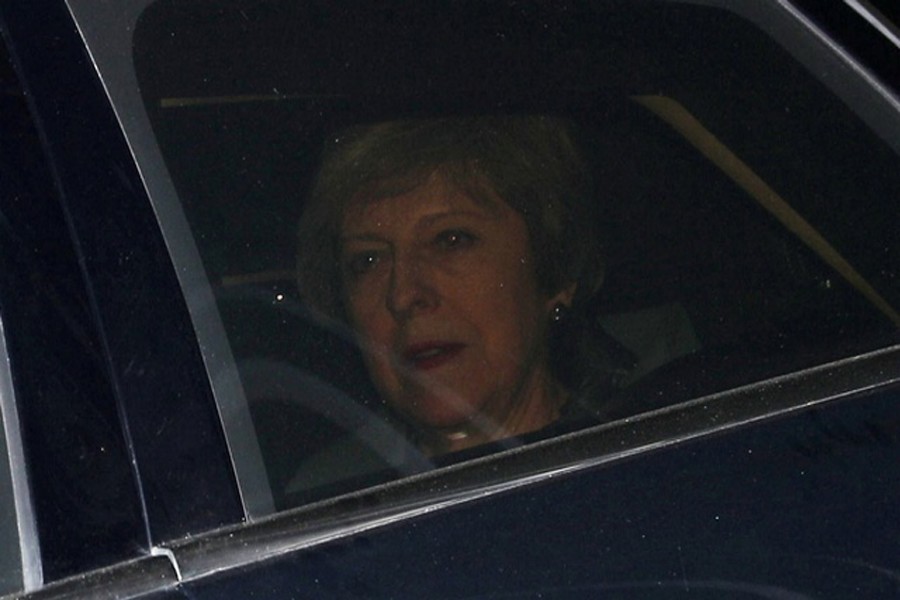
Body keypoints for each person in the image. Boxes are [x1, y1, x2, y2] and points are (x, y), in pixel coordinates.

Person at [297, 115, 605, 457]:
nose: (402, 295)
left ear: (554, 270)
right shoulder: (318, 494)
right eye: (368, 261)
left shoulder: (640, 446)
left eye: (451, 240)